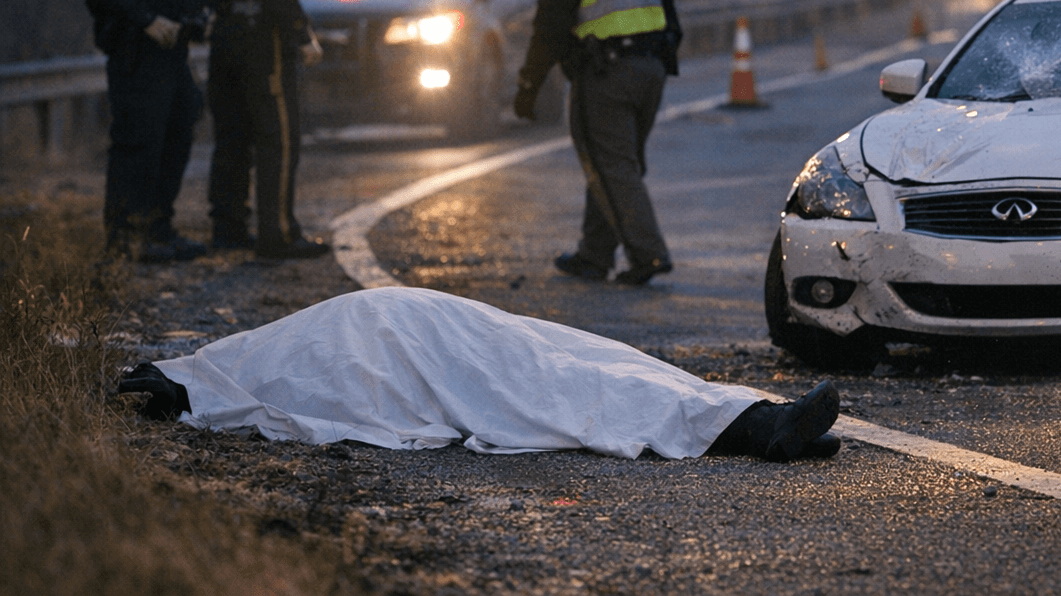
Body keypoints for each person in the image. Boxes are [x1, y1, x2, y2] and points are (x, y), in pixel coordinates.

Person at [117, 286, 841, 462]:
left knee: (591, 360)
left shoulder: (227, 362)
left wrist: (177, 379)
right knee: (556, 390)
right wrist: (179, 386)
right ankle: (759, 427)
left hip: (435, 323)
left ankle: (758, 416)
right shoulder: (227, 377)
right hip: (424, 350)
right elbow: (335, 393)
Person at [513, 0, 683, 286]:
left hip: (605, 75)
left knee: (610, 165)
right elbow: (670, 13)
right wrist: (662, 64)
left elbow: (549, 28)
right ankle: (594, 253)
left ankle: (649, 255)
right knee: (616, 165)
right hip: (650, 71)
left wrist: (528, 85)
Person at [196, 0, 330, 260]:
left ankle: (229, 229)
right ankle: (279, 234)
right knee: (279, 136)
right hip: (261, 38)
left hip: (224, 33)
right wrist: (300, 34)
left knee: (232, 135)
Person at [84, 0, 209, 262]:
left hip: (174, 50)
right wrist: (146, 20)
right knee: (138, 140)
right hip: (136, 49)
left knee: (177, 129)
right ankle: (124, 237)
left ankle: (158, 229)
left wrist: (198, 17)